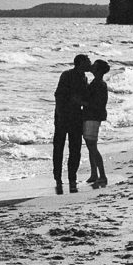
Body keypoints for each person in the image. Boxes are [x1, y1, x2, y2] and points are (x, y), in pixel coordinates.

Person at [52, 53, 91, 194]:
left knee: (75, 149)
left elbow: (85, 96)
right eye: (88, 61)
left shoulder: (84, 77)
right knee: (59, 148)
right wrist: (62, 114)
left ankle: (72, 177)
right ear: (81, 63)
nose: (90, 64)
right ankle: (57, 177)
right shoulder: (67, 75)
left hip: (75, 116)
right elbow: (58, 96)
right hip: (63, 116)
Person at [82, 59, 110, 189]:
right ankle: (94, 174)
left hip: (93, 117)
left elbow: (97, 103)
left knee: (92, 146)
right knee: (90, 145)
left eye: (94, 65)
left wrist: (81, 102)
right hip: (92, 116)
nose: (91, 66)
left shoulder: (99, 84)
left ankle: (102, 175)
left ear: (98, 70)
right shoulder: (97, 83)